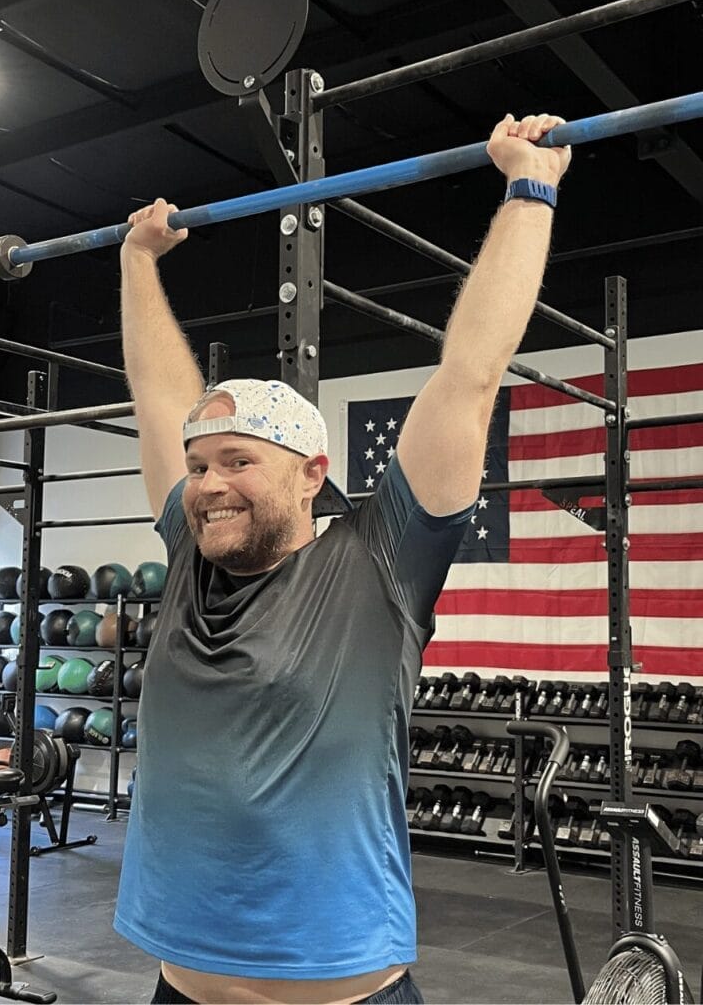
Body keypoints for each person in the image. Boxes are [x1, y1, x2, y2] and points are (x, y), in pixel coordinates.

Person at [114, 113, 572, 1004]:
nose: (208, 484)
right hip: (178, 989)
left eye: (239, 461)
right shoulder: (191, 555)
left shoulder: (380, 562)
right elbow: (158, 395)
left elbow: (470, 375)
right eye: (200, 466)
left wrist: (529, 188)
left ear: (312, 473)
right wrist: (138, 262)